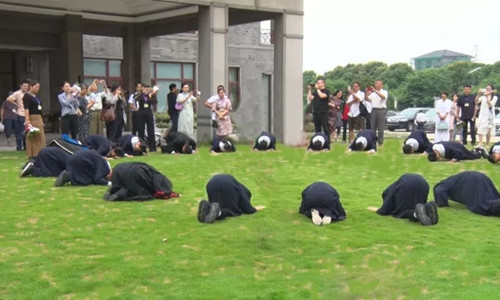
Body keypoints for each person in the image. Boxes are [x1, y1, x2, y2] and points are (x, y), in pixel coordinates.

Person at [374, 174, 438, 226]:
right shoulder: (395, 184)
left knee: (402, 211)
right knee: (419, 204)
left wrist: (378, 210)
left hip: (405, 184)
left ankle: (416, 215)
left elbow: (386, 205)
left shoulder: (388, 191)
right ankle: (427, 208)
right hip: (423, 182)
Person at [197, 174, 264, 223]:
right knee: (230, 210)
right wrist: (252, 209)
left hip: (211, 183)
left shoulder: (237, 184)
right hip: (228, 185)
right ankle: (218, 213)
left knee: (215, 203)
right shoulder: (244, 190)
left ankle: (208, 208)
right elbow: (244, 199)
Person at [103, 162, 180, 201]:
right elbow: (160, 192)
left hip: (127, 171)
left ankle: (114, 191)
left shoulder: (117, 166)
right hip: (139, 172)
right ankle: (120, 194)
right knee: (139, 192)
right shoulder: (157, 177)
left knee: (125, 185)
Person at [433, 171, 500, 216]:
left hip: (472, 179)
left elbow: (439, 191)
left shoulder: (442, 185)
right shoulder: (449, 181)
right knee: (491, 196)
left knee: (481, 204)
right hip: (479, 176)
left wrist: (441, 204)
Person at [23, 80, 45, 158]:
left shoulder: (36, 97)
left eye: (38, 87)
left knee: (40, 136)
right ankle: (32, 154)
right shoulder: (27, 96)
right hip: (32, 117)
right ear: (31, 86)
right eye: (36, 87)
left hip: (38, 117)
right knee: (33, 135)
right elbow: (26, 109)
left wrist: (42, 120)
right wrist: (27, 120)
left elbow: (40, 109)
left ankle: (39, 152)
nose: (37, 89)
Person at [7, 79, 29, 151]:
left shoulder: (28, 93)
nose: (26, 87)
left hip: (27, 114)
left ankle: (26, 146)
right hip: (21, 113)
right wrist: (17, 105)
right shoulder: (17, 93)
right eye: (24, 86)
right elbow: (9, 99)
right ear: (21, 86)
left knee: (27, 131)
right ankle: (19, 146)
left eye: (27, 86)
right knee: (20, 131)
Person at [134, 85, 157, 152]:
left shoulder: (150, 95)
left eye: (147, 88)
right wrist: (142, 93)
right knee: (141, 130)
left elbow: (154, 102)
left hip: (149, 112)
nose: (146, 90)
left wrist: (152, 95)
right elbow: (136, 99)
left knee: (151, 130)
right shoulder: (139, 95)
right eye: (144, 88)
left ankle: (152, 148)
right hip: (141, 113)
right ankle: (142, 147)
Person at [366, 80, 388, 145]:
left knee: (381, 127)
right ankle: (373, 141)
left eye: (377, 83)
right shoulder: (372, 94)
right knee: (372, 127)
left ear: (381, 85)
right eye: (375, 83)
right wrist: (366, 93)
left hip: (381, 110)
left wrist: (375, 91)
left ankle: (380, 142)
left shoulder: (384, 92)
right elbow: (367, 99)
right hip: (373, 110)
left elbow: (383, 97)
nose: (376, 85)